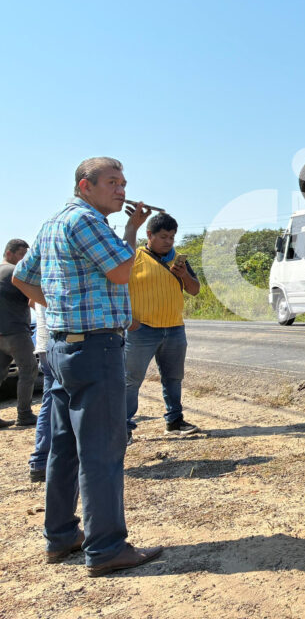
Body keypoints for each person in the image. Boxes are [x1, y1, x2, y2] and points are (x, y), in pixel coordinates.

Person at [12, 157, 164, 575]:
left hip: (63, 349)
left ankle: (61, 536)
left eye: (123, 182)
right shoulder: (88, 221)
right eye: (112, 182)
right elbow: (121, 271)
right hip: (96, 349)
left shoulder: (52, 223)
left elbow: (22, 279)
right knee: (101, 450)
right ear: (85, 186)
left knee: (63, 449)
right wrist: (132, 233)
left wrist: (62, 307)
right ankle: (107, 548)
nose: (121, 189)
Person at [124, 212, 201, 441]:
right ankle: (123, 428)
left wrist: (184, 275)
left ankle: (174, 421)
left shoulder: (179, 259)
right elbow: (117, 288)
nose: (169, 242)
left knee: (173, 378)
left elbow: (194, 290)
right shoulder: (134, 256)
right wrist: (128, 320)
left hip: (174, 328)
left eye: (172, 237)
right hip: (141, 330)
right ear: (149, 235)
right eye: (164, 237)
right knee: (131, 380)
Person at [1, 238, 36, 428]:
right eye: (22, 255)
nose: (25, 259)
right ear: (9, 253)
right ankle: (24, 415)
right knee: (29, 369)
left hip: (2, 333)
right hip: (16, 332)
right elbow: (32, 300)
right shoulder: (15, 272)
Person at [27, 300, 52, 481]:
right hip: (59, 340)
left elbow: (31, 301)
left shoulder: (39, 282)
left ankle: (40, 460)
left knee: (49, 402)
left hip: (45, 343)